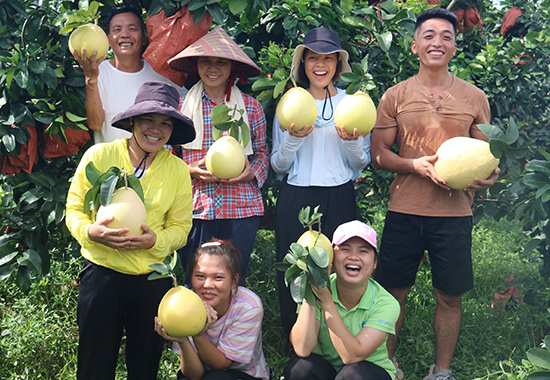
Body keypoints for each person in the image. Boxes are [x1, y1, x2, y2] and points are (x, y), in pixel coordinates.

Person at [370, 8, 500, 380]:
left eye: (446, 36)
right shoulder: (395, 95)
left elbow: (488, 155)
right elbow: (379, 154)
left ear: (455, 47)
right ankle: (386, 365)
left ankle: (441, 371)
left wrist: (490, 176)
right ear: (414, 46)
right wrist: (415, 166)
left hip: (454, 214)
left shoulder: (475, 97)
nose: (437, 42)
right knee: (393, 292)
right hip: (405, 209)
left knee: (449, 295)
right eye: (428, 36)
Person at [65, 81, 195, 380]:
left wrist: (155, 241)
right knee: (95, 362)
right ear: (133, 121)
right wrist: (90, 232)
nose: (156, 129)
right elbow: (74, 208)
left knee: (145, 363)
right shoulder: (100, 156)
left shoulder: (176, 169)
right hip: (102, 273)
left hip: (151, 280)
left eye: (165, 123)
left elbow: (181, 228)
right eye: (148, 119)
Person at [271, 27, 372, 338]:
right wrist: (292, 139)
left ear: (338, 64)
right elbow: (278, 165)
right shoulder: (290, 103)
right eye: (313, 57)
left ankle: (335, 341)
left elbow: (361, 164)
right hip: (296, 197)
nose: (320, 65)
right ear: (304, 63)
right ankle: (297, 345)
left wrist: (351, 143)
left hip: (340, 197)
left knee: (338, 271)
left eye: (328, 58)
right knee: (296, 273)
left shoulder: (352, 102)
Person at [167, 26, 269, 284]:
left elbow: (261, 153)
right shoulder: (181, 108)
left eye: (220, 62)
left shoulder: (251, 107)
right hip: (196, 207)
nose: (213, 68)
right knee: (197, 276)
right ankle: (196, 324)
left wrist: (250, 173)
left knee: (234, 277)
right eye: (206, 61)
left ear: (231, 68)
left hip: (241, 205)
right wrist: (189, 170)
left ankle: (233, 324)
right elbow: (167, 155)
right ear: (197, 65)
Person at [283, 220, 400, 380]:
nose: (353, 257)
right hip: (327, 369)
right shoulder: (317, 287)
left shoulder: (387, 304)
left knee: (352, 376)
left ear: (374, 263)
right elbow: (302, 348)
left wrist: (326, 301)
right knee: (299, 370)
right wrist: (311, 293)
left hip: (367, 372)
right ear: (330, 257)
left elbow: (351, 357)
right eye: (345, 249)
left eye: (363, 251)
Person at [155, 239, 270, 380]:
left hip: (244, 375)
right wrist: (182, 340)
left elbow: (221, 365)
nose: (208, 285)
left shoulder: (248, 306)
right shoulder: (183, 304)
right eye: (200, 276)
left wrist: (197, 334)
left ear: (234, 281)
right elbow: (193, 375)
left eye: (218, 277)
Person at [71, 6, 186, 144]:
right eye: (117, 29)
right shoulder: (98, 71)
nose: (125, 34)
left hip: (153, 164)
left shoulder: (158, 71)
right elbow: (95, 125)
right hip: (111, 164)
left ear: (144, 39)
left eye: (132, 28)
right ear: (108, 40)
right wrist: (91, 79)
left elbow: (188, 103)